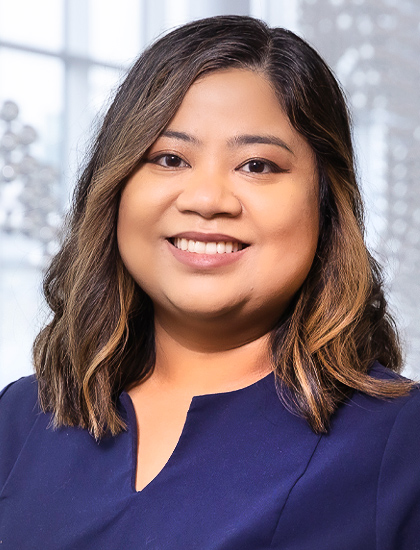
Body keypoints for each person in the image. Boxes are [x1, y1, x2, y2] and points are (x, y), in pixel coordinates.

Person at [0, 15, 419, 550]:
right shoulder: (22, 419)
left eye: (257, 166)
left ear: (326, 204)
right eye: (170, 158)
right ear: (115, 189)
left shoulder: (402, 444)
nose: (207, 199)